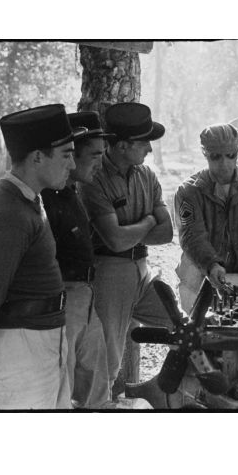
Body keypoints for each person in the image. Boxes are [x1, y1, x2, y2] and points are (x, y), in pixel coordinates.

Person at [0, 104, 75, 409]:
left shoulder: (27, 202)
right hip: (16, 357)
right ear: (37, 157)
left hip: (35, 347)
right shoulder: (8, 214)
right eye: (66, 154)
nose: (73, 164)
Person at [79, 103, 173, 394]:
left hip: (143, 270)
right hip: (110, 273)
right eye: (143, 142)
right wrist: (147, 222)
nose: (149, 149)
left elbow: (167, 232)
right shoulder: (95, 179)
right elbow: (115, 241)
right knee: (108, 360)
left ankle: (158, 391)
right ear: (121, 146)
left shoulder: (148, 176)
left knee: (181, 325)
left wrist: (133, 228)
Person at [41, 111, 112, 408]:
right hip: (63, 302)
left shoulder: (72, 193)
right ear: (71, 154)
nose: (100, 162)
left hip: (86, 298)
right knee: (63, 385)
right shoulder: (46, 199)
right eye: (94, 154)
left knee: (96, 384)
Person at [175, 123, 238, 313]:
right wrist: (210, 265)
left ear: (237, 152)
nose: (224, 164)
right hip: (200, 277)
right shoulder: (189, 191)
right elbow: (192, 236)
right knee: (199, 334)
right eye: (216, 157)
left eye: (231, 156)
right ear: (205, 154)